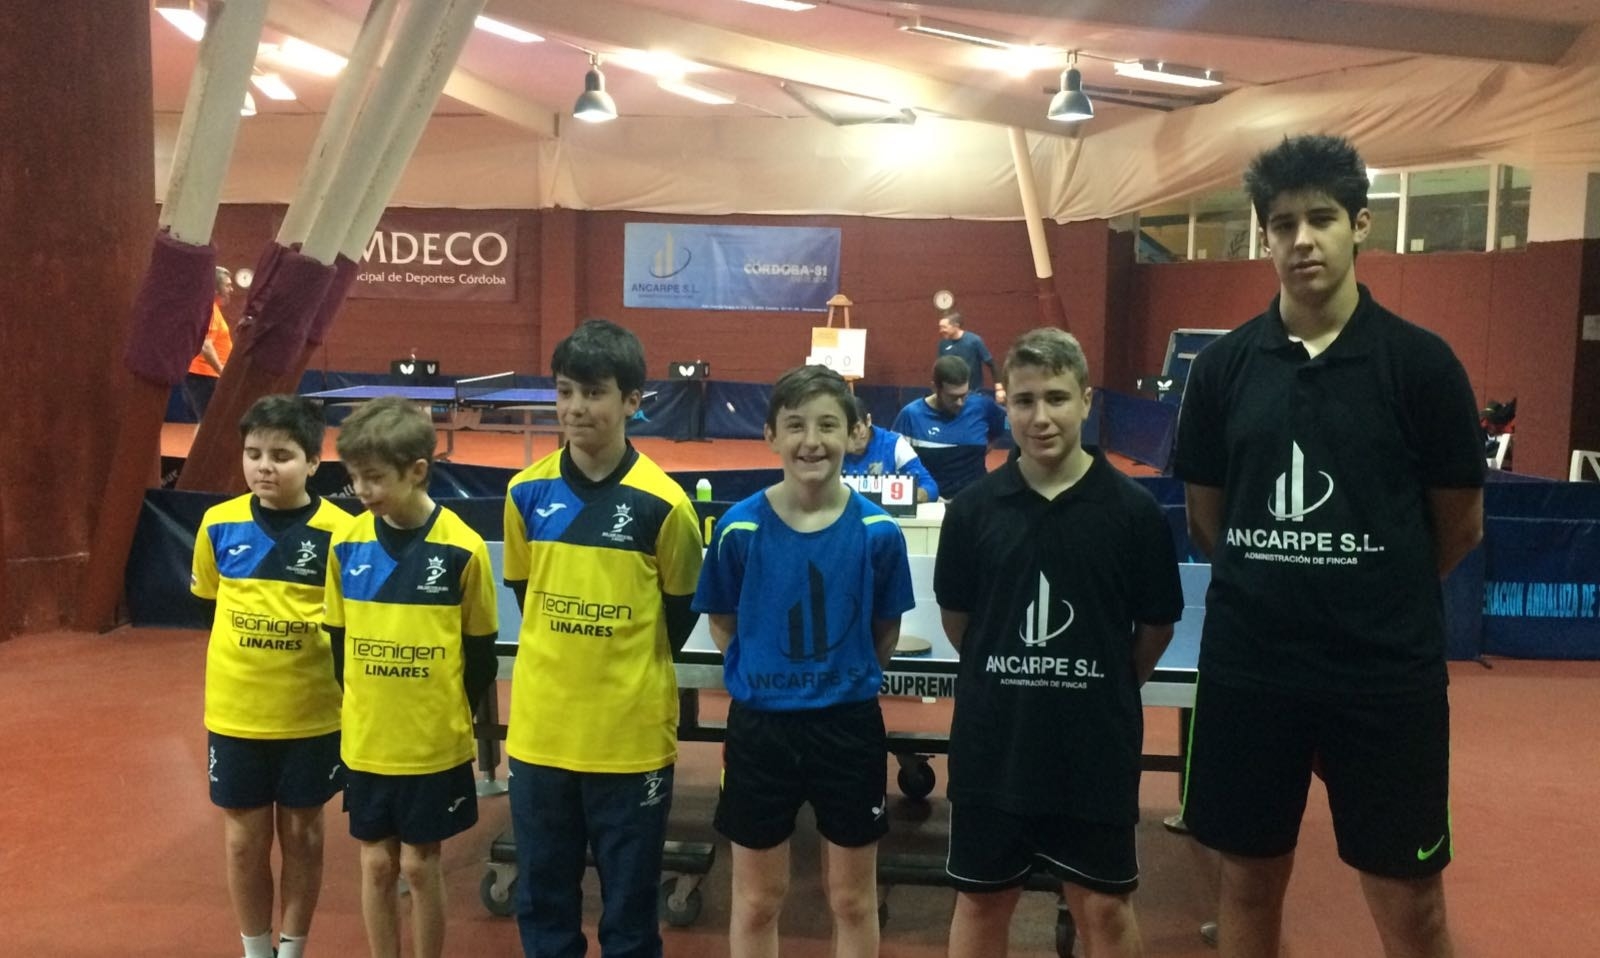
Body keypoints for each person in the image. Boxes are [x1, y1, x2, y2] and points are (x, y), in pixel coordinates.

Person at [1173, 134, 1485, 958]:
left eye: (1321, 219)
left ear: (1361, 226)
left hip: (1382, 680)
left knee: (1411, 906)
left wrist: (1369, 591)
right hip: (1251, 672)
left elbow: (1459, 527)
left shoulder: (1422, 366)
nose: (1302, 240)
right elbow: (1208, 521)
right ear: (1264, 238)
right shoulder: (1222, 371)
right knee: (1245, 886)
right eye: (1283, 225)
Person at [935, 327, 1184, 958]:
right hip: (995, 747)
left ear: (1086, 400)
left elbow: (1156, 627)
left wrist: (1102, 684)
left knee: (1104, 908)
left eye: (1056, 398)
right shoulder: (971, 511)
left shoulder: (1134, 513)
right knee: (981, 903)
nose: (1040, 417)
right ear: (1005, 404)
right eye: (1024, 400)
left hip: (1093, 751)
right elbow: (960, 624)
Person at [693, 364, 916, 958]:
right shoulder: (738, 529)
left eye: (827, 425)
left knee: (853, 900)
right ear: (770, 435)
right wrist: (769, 679)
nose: (811, 441)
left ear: (855, 433)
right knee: (757, 900)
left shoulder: (878, 533)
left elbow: (885, 631)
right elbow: (723, 623)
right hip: (761, 732)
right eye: (795, 425)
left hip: (848, 730)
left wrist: (837, 682)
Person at [501, 319, 705, 958]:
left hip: (629, 742)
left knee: (630, 914)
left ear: (632, 401)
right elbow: (525, 595)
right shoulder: (524, 493)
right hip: (541, 737)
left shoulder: (665, 505)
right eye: (565, 391)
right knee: (544, 904)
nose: (575, 408)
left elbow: (677, 616)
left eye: (593, 393)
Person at [323, 396, 499, 958]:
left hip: (432, 746)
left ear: (417, 470)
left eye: (375, 478)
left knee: (421, 867)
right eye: (354, 478)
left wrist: (442, 710)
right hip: (369, 743)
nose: (362, 491)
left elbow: (480, 655)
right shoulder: (346, 545)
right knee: (376, 864)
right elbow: (339, 644)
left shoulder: (464, 549)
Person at [191, 394, 349, 958]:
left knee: (304, 835)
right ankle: (256, 951)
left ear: (313, 461)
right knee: (243, 841)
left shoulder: (344, 533)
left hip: (312, 715)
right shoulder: (217, 525)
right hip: (237, 714)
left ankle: (292, 949)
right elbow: (209, 605)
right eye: (253, 453)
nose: (264, 466)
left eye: (281, 456)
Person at [892, 355, 1009, 500]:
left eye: (964, 395)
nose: (960, 402)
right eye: (953, 397)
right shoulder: (910, 416)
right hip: (931, 502)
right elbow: (894, 459)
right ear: (935, 388)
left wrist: (984, 447)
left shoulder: (983, 407)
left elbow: (1001, 427)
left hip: (975, 500)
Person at [841, 395, 939, 503]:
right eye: (848, 430)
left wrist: (908, 497)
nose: (854, 434)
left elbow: (930, 487)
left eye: (857, 427)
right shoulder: (833, 446)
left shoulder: (895, 444)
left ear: (868, 420)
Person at [185, 266, 235, 420]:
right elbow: (205, 345)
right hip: (205, 376)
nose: (231, 289)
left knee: (209, 422)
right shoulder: (210, 310)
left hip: (206, 375)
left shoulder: (212, 309)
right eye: (227, 285)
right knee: (209, 423)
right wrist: (221, 371)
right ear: (215, 289)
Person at [937, 310, 1004, 401]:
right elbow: (940, 369)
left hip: (972, 393)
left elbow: (991, 364)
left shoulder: (974, 341)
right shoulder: (943, 344)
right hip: (950, 396)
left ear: (956, 326)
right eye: (940, 327)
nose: (941, 330)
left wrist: (999, 389)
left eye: (944, 327)